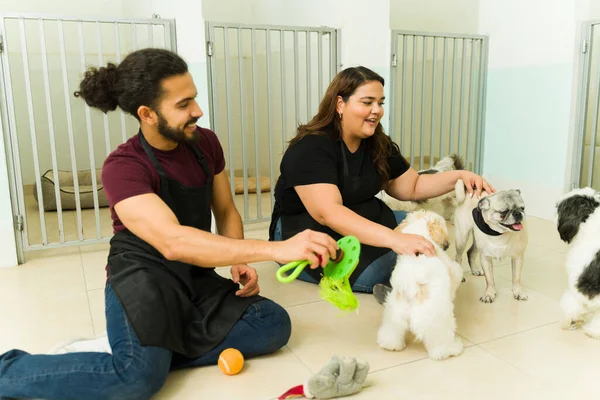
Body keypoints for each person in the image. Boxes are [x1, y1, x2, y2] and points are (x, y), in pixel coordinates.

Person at [0, 48, 339, 400]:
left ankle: (142, 351)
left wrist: (240, 260)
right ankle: (11, 371)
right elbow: (173, 241)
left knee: (272, 325)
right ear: (147, 114)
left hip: (193, 273)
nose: (198, 111)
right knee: (136, 381)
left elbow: (225, 210)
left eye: (194, 98)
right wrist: (279, 249)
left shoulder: (204, 142)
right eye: (184, 104)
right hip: (143, 276)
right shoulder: (123, 167)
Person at [269, 66, 494, 300]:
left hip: (364, 215)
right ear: (340, 104)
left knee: (429, 227)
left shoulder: (377, 143)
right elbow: (329, 213)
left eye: (380, 103)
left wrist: (461, 176)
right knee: (382, 269)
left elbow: (413, 186)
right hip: (307, 229)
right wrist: (395, 239)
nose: (376, 111)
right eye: (367, 102)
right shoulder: (310, 148)